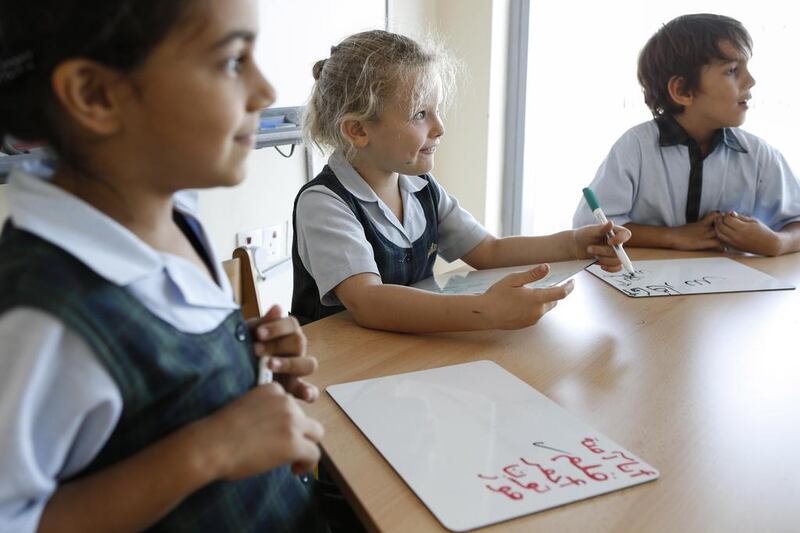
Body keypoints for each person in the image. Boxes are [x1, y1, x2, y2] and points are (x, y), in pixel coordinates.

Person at [0, 1, 328, 531]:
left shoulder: (178, 215)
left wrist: (240, 360)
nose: (266, 91)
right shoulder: (40, 314)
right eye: (231, 61)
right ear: (96, 95)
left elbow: (143, 382)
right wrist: (211, 448)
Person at [292, 30, 630, 331]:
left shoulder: (422, 188)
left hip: (402, 353)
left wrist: (576, 243)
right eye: (420, 114)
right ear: (359, 130)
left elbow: (489, 251)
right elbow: (367, 301)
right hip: (336, 372)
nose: (439, 128)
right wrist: (485, 311)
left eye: (436, 110)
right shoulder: (324, 203)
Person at [573, 13, 800, 256]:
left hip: (728, 289)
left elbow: (795, 222)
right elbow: (590, 228)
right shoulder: (635, 147)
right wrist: (673, 237)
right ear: (682, 90)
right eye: (733, 70)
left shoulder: (758, 155)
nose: (751, 81)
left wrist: (778, 242)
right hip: (648, 285)